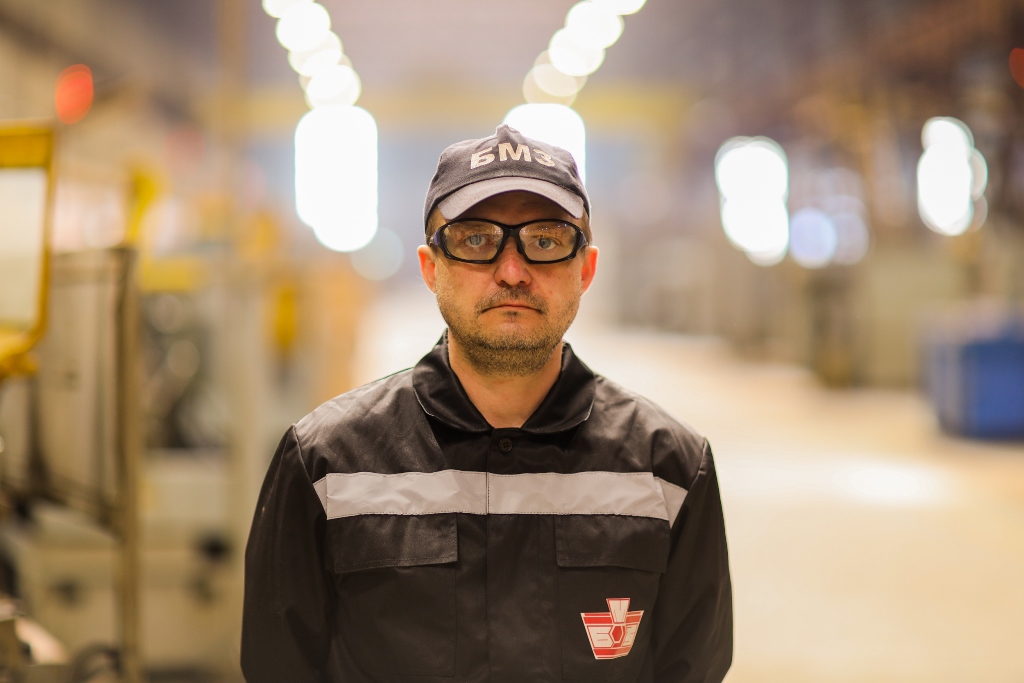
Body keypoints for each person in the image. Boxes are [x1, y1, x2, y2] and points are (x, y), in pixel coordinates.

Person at [241, 125, 733, 682]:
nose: (512, 271)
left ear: (586, 269)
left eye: (545, 241)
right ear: (432, 268)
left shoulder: (669, 470)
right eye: (476, 240)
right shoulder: (326, 464)